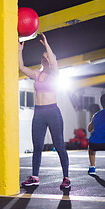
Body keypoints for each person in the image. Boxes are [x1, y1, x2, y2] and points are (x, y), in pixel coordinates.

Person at [18, 33, 70, 189]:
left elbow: (54, 63)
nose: (44, 58)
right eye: (43, 56)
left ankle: (66, 177)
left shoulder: (55, 74)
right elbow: (21, 67)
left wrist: (47, 45)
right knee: (37, 146)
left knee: (59, 145)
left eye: (46, 56)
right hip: (38, 113)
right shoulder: (37, 74)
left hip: (52, 112)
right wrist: (19, 51)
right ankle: (35, 176)